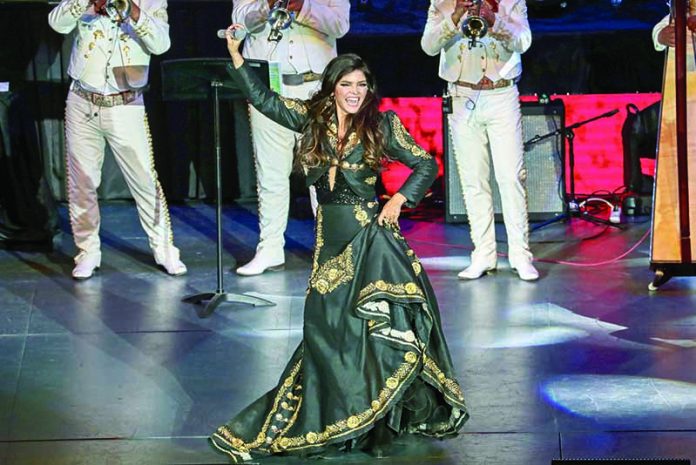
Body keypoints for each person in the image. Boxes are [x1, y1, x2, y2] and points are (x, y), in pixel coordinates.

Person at [209, 27, 468, 464]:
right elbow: (265, 100)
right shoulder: (312, 120)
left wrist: (399, 200)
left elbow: (425, 163)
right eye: (347, 84)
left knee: (369, 330)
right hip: (328, 241)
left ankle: (374, 419)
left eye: (361, 85)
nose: (354, 92)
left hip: (369, 238)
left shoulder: (381, 125)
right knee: (326, 329)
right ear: (332, 87)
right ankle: (336, 411)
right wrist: (236, 56)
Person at [48, 0, 186, 279]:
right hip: (82, 98)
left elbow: (161, 44)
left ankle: (165, 250)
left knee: (144, 180)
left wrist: (133, 10)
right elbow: (56, 23)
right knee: (82, 181)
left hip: (126, 102)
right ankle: (87, 251)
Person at [421, 0, 539, 281]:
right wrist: (455, 17)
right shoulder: (442, 2)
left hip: (502, 94)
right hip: (462, 96)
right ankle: (483, 253)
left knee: (510, 177)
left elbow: (523, 42)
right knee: (473, 179)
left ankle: (520, 255)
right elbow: (428, 46)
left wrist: (494, 20)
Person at [231, 0, 350, 276]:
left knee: (323, 175)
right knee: (270, 174)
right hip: (268, 87)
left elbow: (340, 25)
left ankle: (330, 251)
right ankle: (270, 249)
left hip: (317, 88)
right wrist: (266, 6)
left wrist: (302, 7)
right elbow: (239, 21)